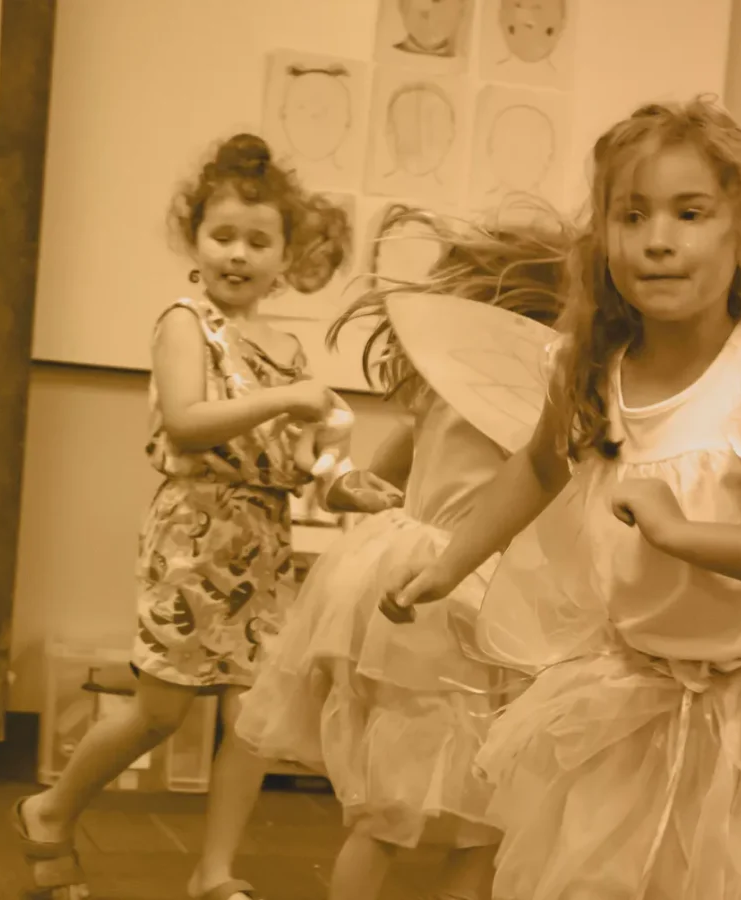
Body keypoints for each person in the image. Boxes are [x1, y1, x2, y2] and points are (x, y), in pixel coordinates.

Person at [385, 96, 741, 900]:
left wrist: (681, 532)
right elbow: (536, 467)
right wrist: (449, 563)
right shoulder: (593, 370)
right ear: (605, 241)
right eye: (631, 216)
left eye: (688, 213)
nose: (657, 239)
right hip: (633, 692)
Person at [11, 133, 353, 900]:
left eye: (258, 241)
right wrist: (290, 399)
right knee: (160, 711)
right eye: (222, 234)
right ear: (193, 237)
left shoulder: (286, 347)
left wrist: (340, 483)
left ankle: (213, 872)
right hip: (192, 537)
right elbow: (189, 422)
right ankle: (50, 808)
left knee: (255, 720)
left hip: (263, 543)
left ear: (284, 254)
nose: (238, 254)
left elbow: (294, 462)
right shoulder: (184, 320)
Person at [236, 203, 567, 900]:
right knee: (488, 818)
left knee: (388, 812)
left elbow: (371, 482)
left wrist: (347, 492)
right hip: (471, 592)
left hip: (402, 578)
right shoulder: (529, 397)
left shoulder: (440, 388)